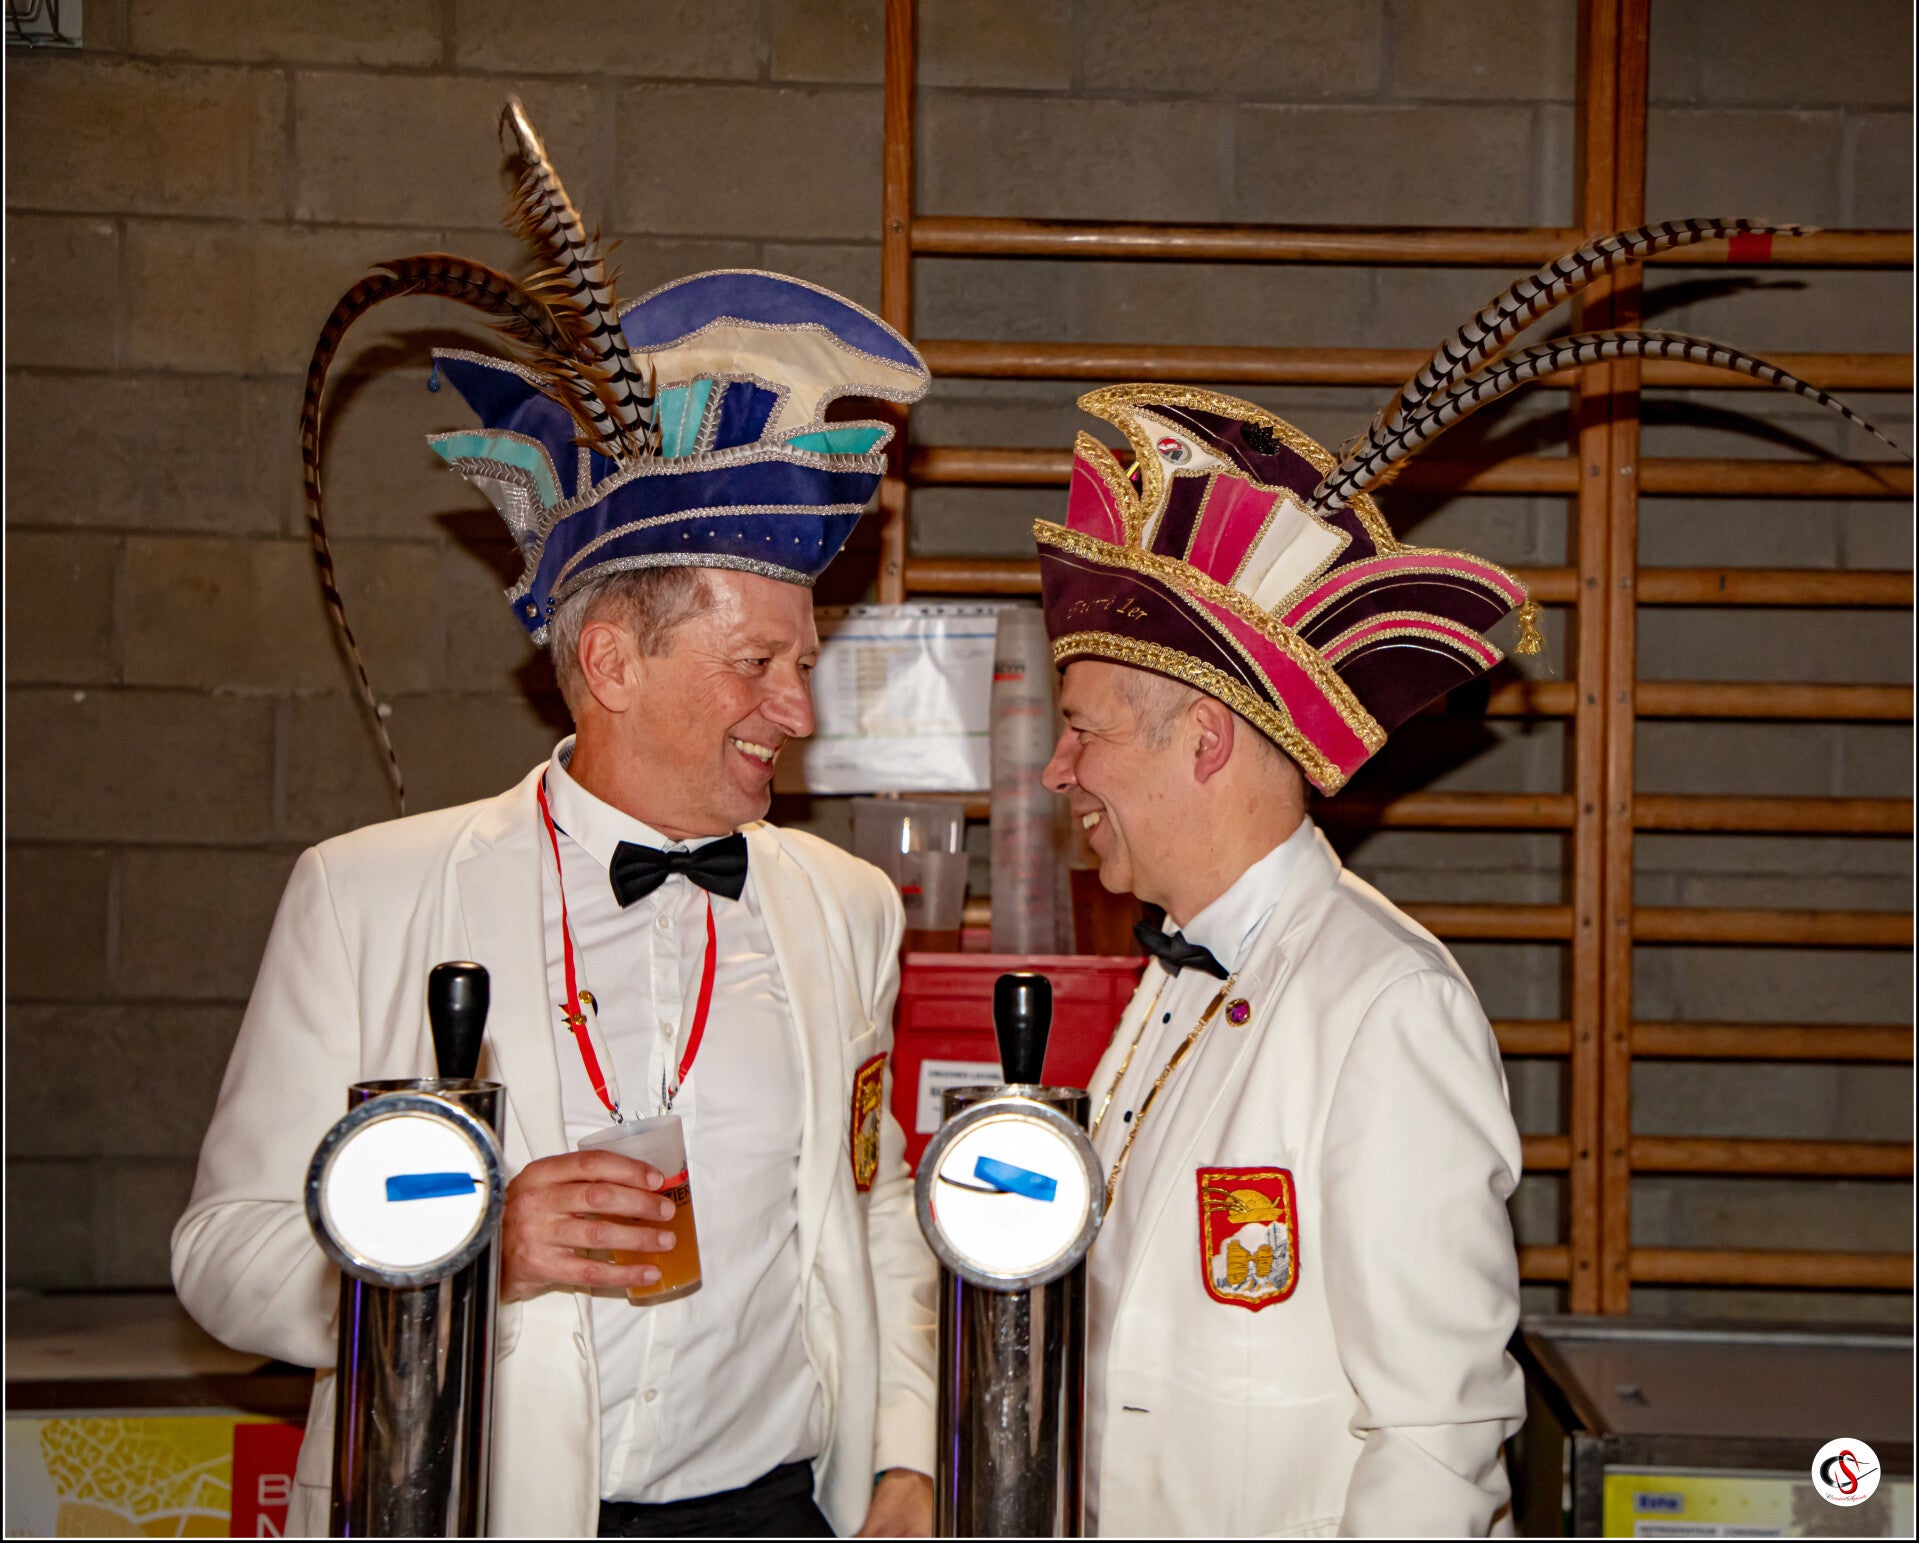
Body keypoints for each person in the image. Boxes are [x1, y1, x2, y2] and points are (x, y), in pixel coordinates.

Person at [1029, 222, 1901, 1536]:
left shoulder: (1388, 1010)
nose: (1057, 771)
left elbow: (1437, 1449)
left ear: (1202, 741)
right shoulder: (1170, 982)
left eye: (1081, 730)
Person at [172, 102, 937, 1539]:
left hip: (774, 1514)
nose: (798, 710)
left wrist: (908, 1452)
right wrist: (469, 1252)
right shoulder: (365, 895)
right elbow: (224, 1252)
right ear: (612, 662)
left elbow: (877, 1203)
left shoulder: (847, 908)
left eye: (804, 664)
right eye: (757, 666)